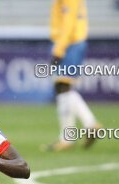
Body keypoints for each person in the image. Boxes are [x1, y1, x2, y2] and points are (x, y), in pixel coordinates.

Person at [43, 0, 102, 151]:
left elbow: (68, 24)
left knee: (63, 87)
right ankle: (87, 126)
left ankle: (69, 137)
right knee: (63, 87)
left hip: (70, 44)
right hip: (71, 42)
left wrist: (59, 50)